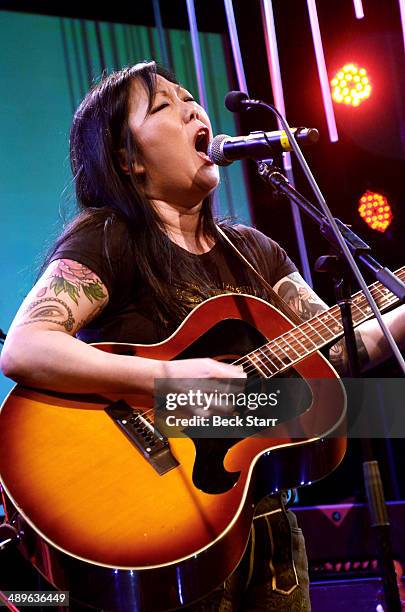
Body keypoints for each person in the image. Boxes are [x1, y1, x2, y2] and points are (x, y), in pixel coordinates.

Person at [1, 61, 404, 611]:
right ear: (128, 158)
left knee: (371, 408)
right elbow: (26, 346)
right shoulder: (111, 237)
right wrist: (171, 378)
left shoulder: (255, 251)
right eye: (164, 105)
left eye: (191, 97)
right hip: (157, 515)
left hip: (266, 531)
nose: (194, 107)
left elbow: (336, 351)